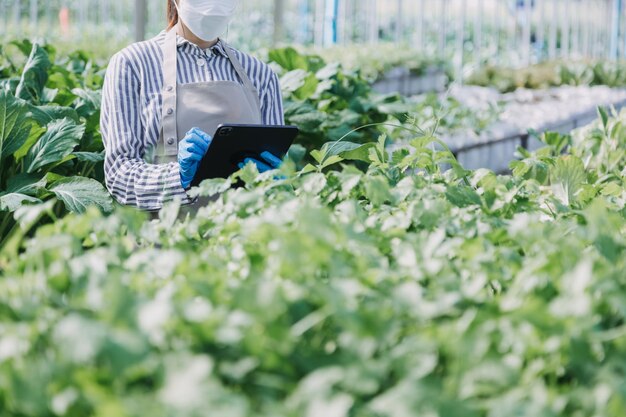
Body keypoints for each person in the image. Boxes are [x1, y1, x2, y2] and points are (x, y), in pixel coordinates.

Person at [101, 0, 284, 212]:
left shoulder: (261, 75)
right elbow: (119, 174)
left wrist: (276, 180)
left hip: (242, 237)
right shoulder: (133, 64)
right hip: (167, 237)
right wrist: (178, 177)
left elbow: (277, 173)